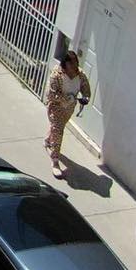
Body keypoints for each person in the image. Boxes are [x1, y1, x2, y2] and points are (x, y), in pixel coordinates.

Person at [44, 50, 91, 178]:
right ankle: (55, 162)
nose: (74, 68)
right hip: (55, 107)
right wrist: (67, 98)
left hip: (68, 109)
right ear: (65, 65)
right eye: (71, 65)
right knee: (58, 131)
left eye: (75, 64)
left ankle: (48, 139)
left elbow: (86, 89)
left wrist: (85, 98)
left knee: (57, 127)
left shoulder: (80, 74)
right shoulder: (57, 74)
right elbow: (52, 94)